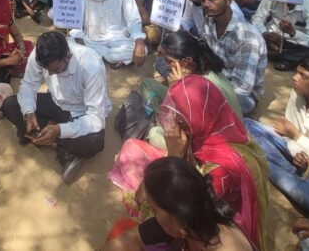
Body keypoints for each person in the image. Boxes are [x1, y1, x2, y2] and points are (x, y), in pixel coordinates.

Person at [108, 76, 270, 251]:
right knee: (133, 146)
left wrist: (174, 155)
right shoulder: (209, 137)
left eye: (181, 121)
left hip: (201, 222)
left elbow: (146, 199)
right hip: (192, 222)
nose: (174, 126)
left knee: (125, 228)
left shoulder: (220, 169)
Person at [2, 32, 112, 185]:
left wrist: (59, 130)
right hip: (57, 102)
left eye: (56, 69)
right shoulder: (39, 55)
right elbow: (28, 85)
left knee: (95, 142)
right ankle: (58, 144)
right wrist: (29, 111)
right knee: (10, 105)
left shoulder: (90, 65)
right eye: (46, 69)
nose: (50, 73)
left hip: (82, 111)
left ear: (68, 56)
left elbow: (96, 118)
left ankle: (46, 137)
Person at [244, 51, 309, 214]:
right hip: (293, 151)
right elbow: (288, 137)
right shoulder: (297, 94)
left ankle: (264, 163)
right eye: (296, 72)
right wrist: (297, 151)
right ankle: (287, 171)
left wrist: (297, 137)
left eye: (303, 76)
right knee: (245, 125)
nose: (295, 78)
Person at [103, 157, 254, 251]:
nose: (153, 216)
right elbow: (130, 238)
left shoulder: (225, 245)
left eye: (155, 210)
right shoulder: (191, 220)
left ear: (177, 216)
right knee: (123, 227)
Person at [198, 0, 267, 115]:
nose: (206, 4)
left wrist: (206, 91)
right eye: (203, 0)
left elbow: (242, 87)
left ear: (228, 0)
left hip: (241, 95)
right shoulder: (209, 21)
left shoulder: (247, 36)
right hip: (215, 78)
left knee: (203, 106)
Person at [71, 0, 146, 68]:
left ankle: (99, 56)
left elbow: (133, 19)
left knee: (143, 49)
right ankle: (112, 57)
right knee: (69, 43)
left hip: (118, 40)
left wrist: (139, 41)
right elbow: (77, 20)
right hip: (92, 40)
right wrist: (79, 39)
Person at [252, 0, 309, 72]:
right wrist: (264, 33)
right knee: (249, 34)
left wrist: (293, 32)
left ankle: (274, 54)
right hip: (271, 40)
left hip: (295, 45)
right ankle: (286, 58)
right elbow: (256, 20)